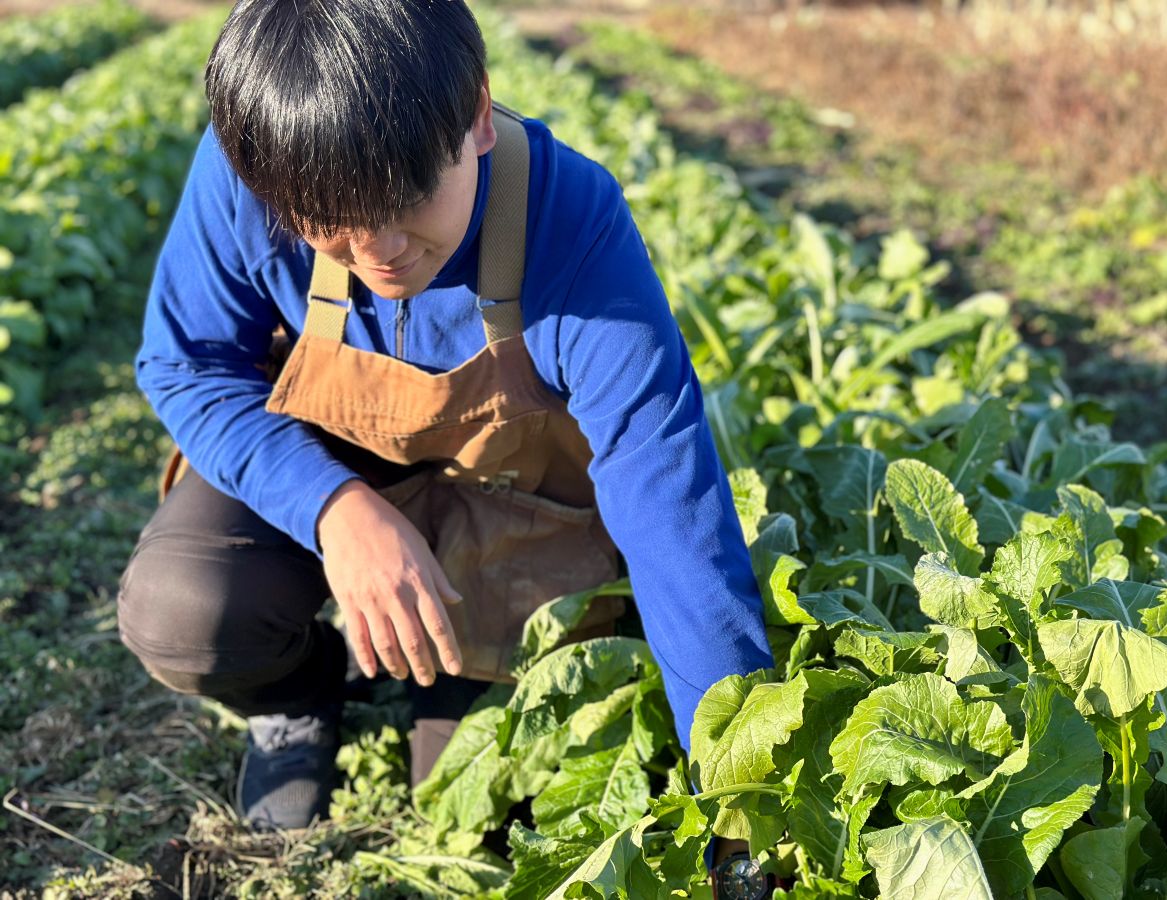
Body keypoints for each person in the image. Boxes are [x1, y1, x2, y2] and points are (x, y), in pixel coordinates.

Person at [117, 0, 772, 875]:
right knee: (185, 610)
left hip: (507, 507)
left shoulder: (573, 226)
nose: (379, 252)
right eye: (330, 224)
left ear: (477, 116)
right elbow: (187, 367)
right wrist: (334, 509)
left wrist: (737, 787)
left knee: (479, 800)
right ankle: (296, 695)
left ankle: (454, 665)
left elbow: (669, 512)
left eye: (406, 200)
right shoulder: (260, 163)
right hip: (334, 458)